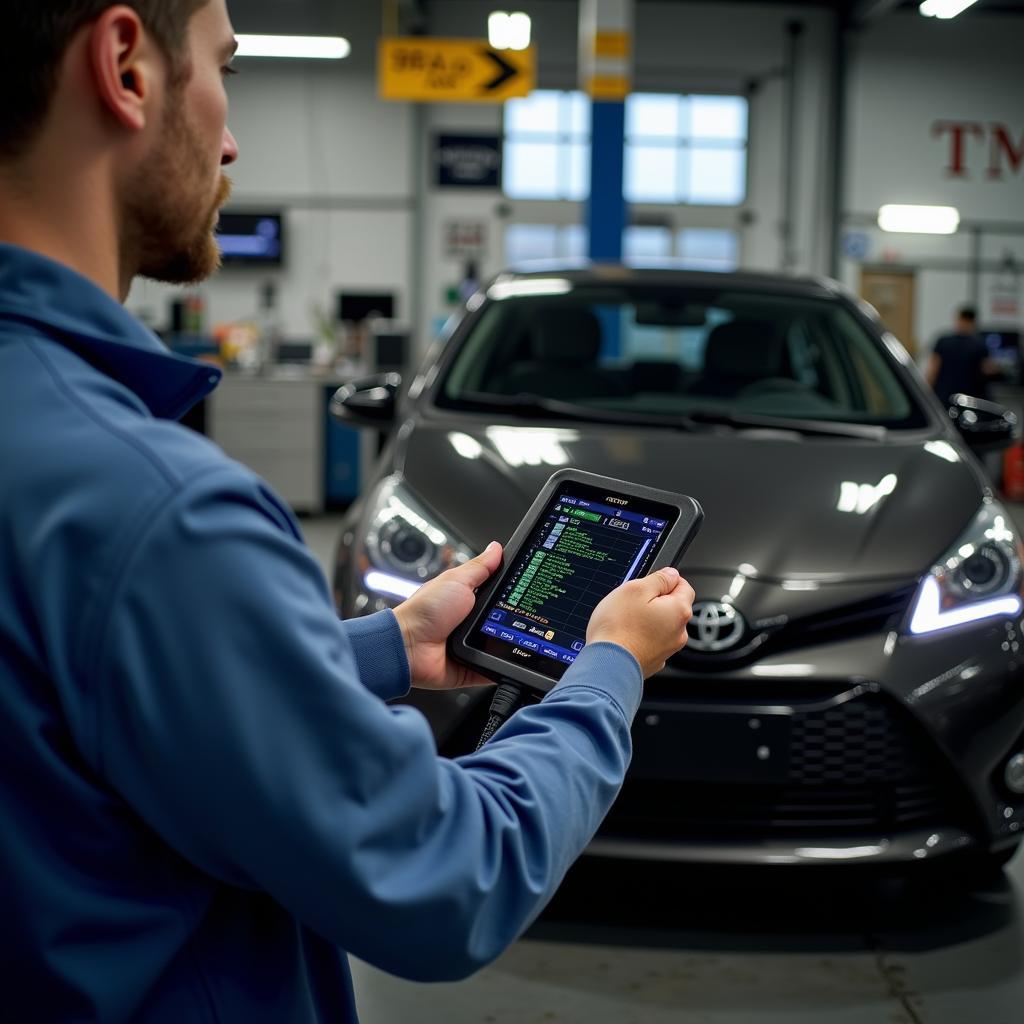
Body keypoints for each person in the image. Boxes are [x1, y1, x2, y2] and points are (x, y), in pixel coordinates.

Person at [0, 3, 696, 1022]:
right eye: (222, 69)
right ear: (126, 68)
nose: (231, 138)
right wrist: (606, 670)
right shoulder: (162, 510)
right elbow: (453, 874)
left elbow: (100, 697)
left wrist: (385, 647)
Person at [925, 305, 999, 408]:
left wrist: (927, 392)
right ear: (973, 322)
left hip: (944, 397)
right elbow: (987, 369)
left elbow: (933, 370)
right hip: (970, 400)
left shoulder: (943, 341)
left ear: (959, 319)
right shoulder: (979, 345)